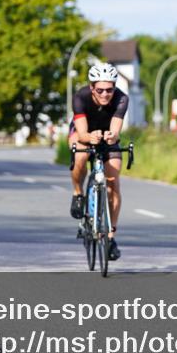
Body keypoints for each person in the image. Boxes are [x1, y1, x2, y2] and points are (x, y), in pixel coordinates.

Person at [68, 63, 129, 261]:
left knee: (113, 182)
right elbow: (82, 133)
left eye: (109, 89)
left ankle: (110, 238)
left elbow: (116, 129)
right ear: (92, 87)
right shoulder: (80, 97)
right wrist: (88, 137)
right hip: (84, 131)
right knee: (81, 155)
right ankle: (78, 192)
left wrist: (112, 136)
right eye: (100, 89)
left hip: (106, 133)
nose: (105, 94)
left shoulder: (121, 98)